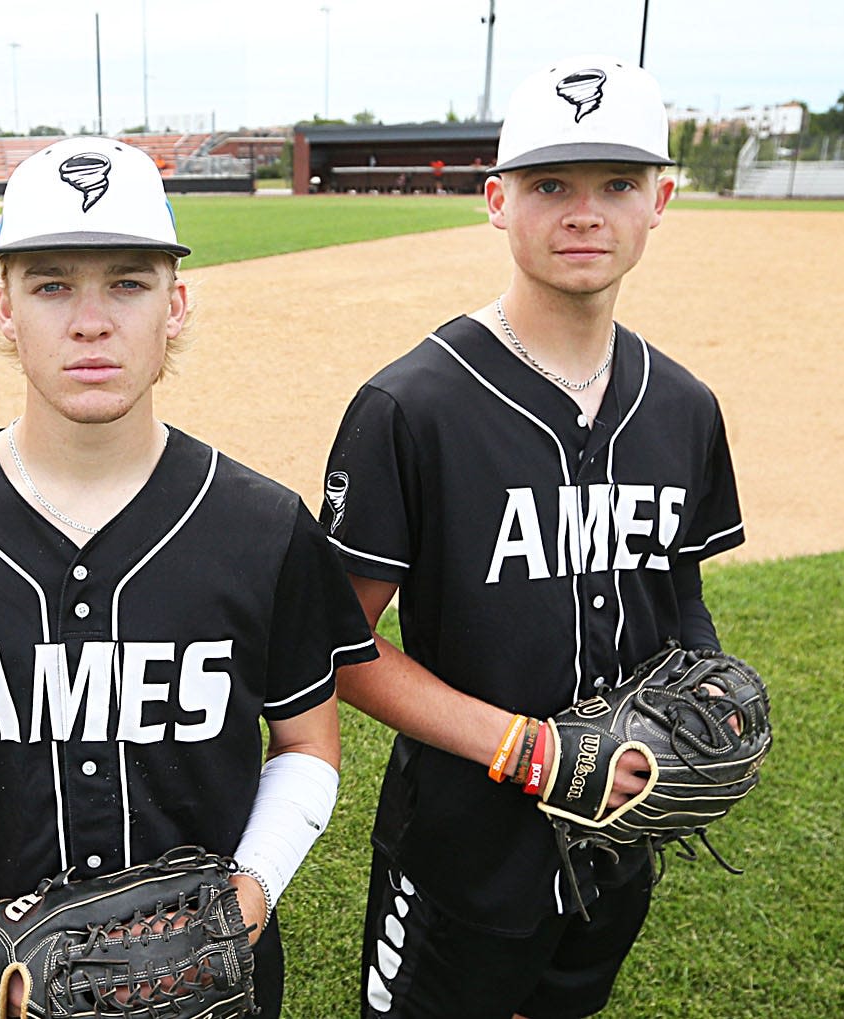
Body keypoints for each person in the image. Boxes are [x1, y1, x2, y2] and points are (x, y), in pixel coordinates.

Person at [0, 136, 378, 1017]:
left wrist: (244, 903)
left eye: (127, 282)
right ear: (2, 307)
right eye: (52, 283)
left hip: (214, 991)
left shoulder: (262, 527)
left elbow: (306, 743)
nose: (90, 319)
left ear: (175, 304)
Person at [320, 56, 745, 1018]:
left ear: (660, 200)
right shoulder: (410, 405)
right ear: (496, 202)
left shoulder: (681, 405)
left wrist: (704, 689)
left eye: (617, 184)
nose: (584, 212)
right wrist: (528, 749)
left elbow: (677, 589)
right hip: (463, 848)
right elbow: (334, 644)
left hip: (621, 833)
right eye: (550, 184)